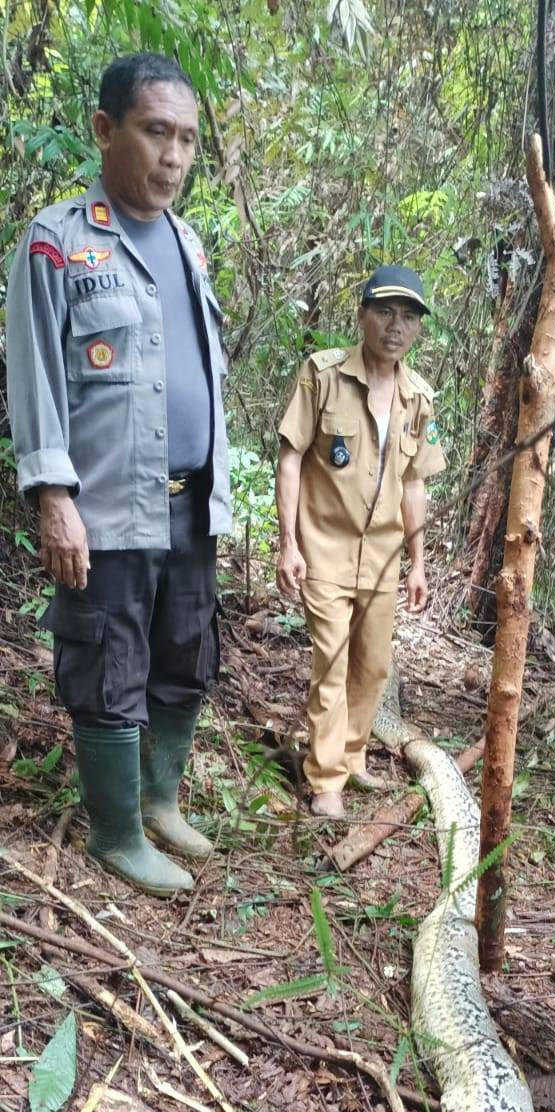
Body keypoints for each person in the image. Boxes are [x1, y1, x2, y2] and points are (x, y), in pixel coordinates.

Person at [6, 52, 232, 896]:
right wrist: (53, 495)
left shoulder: (189, 244)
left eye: (186, 139)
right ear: (106, 131)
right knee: (108, 661)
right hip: (105, 503)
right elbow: (32, 379)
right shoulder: (57, 241)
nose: (172, 156)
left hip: (190, 501)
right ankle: (115, 831)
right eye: (154, 132)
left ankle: (160, 799)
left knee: (185, 652)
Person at [274, 265, 446, 819]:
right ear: (363, 315)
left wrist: (418, 562)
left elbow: (414, 483)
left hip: (384, 556)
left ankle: (349, 757)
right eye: (385, 312)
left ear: (418, 329)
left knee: (372, 666)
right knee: (331, 659)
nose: (396, 326)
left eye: (409, 317)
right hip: (323, 544)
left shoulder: (419, 398)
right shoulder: (322, 374)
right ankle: (324, 780)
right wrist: (288, 543)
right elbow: (290, 455)